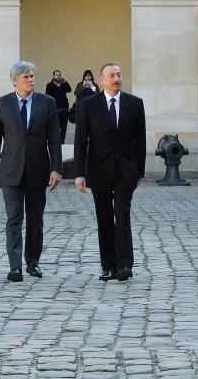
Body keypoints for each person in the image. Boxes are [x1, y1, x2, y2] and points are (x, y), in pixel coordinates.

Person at [0, 61, 63, 282]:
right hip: (10, 171)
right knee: (14, 219)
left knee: (35, 219)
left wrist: (56, 168)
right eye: (25, 77)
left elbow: (54, 139)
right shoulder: (3, 104)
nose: (30, 80)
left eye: (31, 76)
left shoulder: (47, 103)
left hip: (39, 170)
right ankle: (15, 266)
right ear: (15, 81)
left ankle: (33, 262)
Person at [73, 63, 147, 283]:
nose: (116, 78)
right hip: (99, 171)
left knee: (122, 216)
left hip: (125, 171)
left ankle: (124, 264)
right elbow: (81, 140)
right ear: (101, 80)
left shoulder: (134, 104)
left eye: (119, 75)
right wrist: (79, 173)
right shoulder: (88, 105)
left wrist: (139, 171)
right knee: (104, 218)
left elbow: (140, 140)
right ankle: (108, 266)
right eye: (112, 75)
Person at [45, 70, 72, 144]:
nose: (58, 76)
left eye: (59, 75)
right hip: (55, 109)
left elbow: (69, 90)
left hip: (64, 108)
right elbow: (47, 95)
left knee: (64, 125)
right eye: (56, 75)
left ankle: (62, 140)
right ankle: (54, 141)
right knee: (55, 126)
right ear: (53, 76)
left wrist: (65, 82)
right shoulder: (49, 85)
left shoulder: (63, 84)